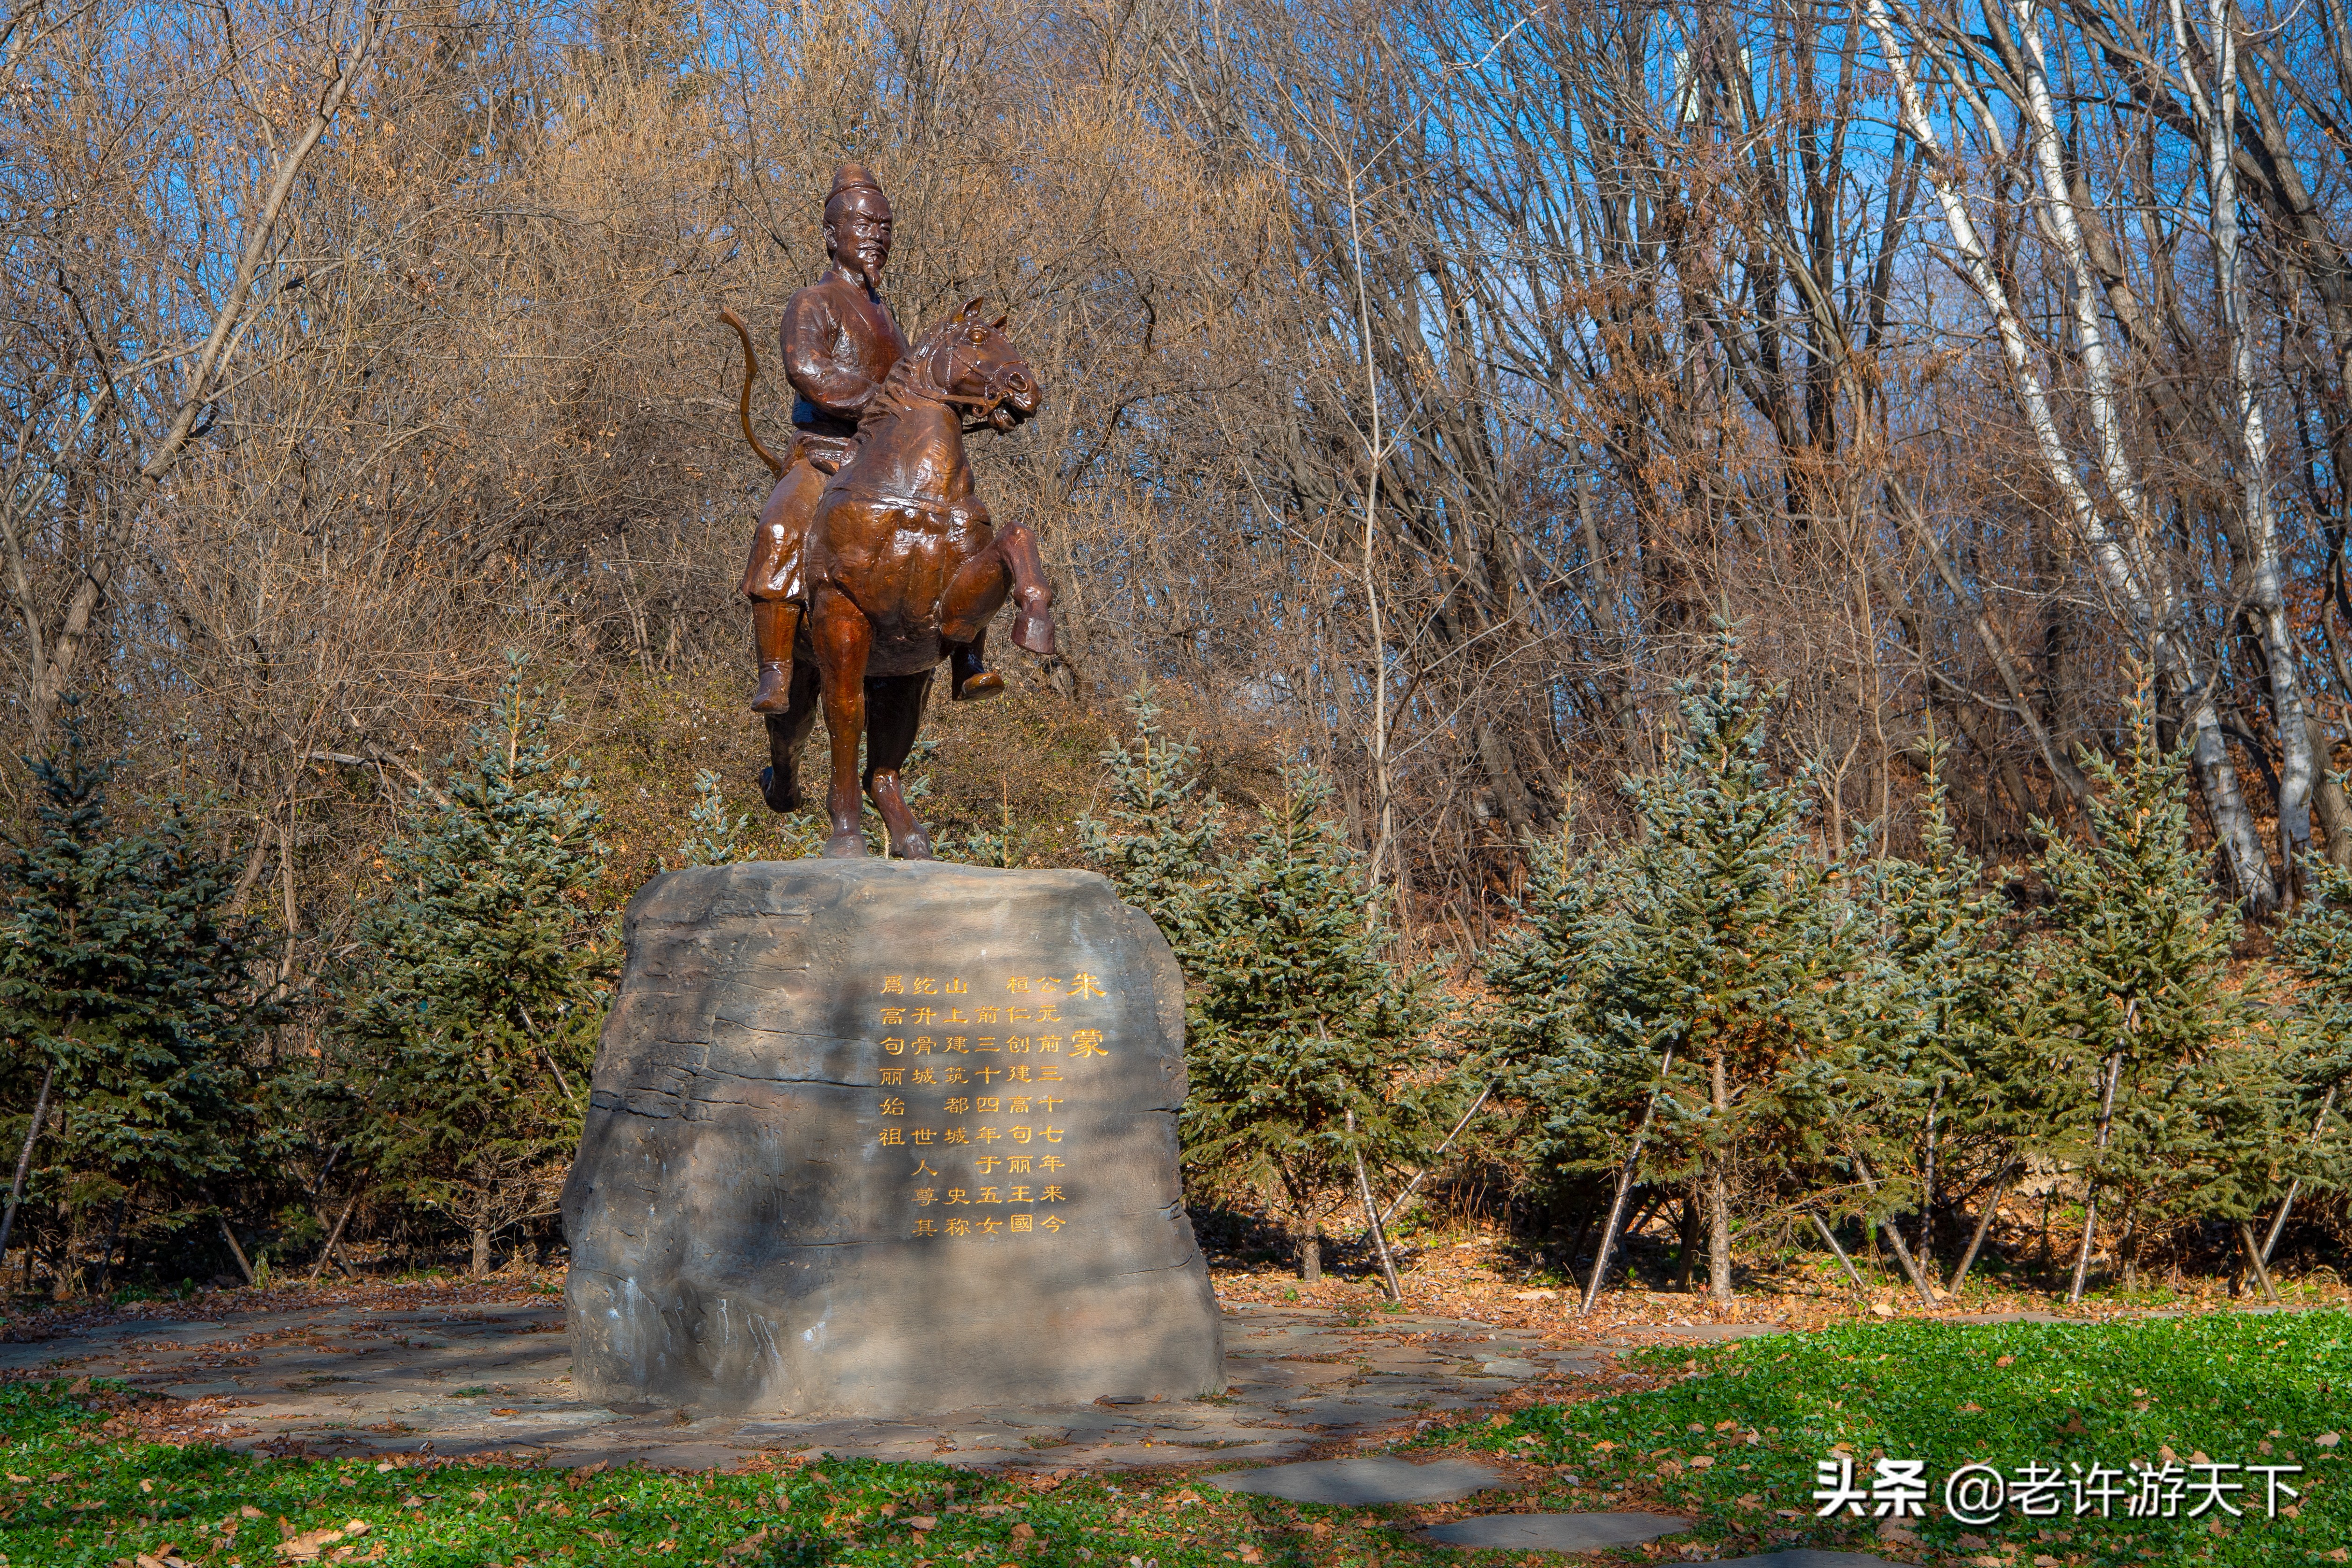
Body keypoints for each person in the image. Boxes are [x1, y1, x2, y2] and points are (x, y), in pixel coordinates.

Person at [743, 162, 1003, 711]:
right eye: (865, 226)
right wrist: (881, 407)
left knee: (967, 525)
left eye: (885, 228)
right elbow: (807, 369)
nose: (878, 238)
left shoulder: (891, 320)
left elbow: (919, 390)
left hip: (883, 461)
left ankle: (966, 657)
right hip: (825, 457)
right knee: (780, 527)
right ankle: (776, 670)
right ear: (832, 235)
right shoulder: (813, 302)